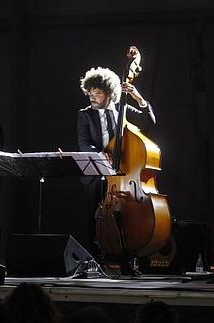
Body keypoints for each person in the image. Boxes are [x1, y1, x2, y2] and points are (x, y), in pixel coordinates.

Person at [77, 62, 156, 261]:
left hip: (123, 174)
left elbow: (149, 122)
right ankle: (93, 259)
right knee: (92, 217)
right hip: (96, 172)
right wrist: (100, 154)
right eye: (90, 94)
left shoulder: (124, 110)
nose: (92, 98)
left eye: (97, 94)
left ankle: (126, 256)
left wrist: (139, 98)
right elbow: (84, 143)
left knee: (126, 215)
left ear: (110, 93)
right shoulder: (84, 115)